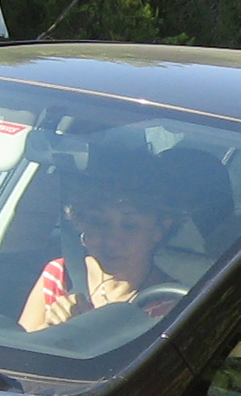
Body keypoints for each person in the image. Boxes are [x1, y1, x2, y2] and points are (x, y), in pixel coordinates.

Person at [18, 128, 198, 333]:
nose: (111, 240)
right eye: (99, 223)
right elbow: (18, 344)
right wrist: (50, 326)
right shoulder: (61, 275)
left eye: (129, 226)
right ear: (80, 222)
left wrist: (79, 332)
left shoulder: (171, 305)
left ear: (159, 230)